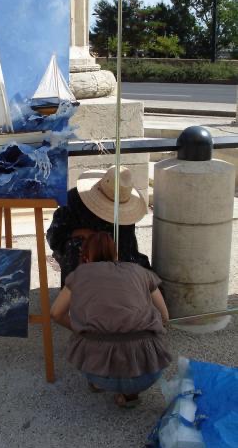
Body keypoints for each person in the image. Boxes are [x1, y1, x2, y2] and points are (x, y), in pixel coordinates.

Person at [50, 231, 171, 408]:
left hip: (100, 372)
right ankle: (131, 393)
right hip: (149, 371)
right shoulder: (139, 271)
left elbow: (55, 313)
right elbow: (165, 317)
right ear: (116, 254)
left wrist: (79, 330)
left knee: (86, 336)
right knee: (139, 338)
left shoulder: (80, 274)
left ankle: (98, 383)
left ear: (85, 257)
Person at [47, 165, 150, 285]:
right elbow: (55, 236)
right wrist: (82, 233)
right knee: (75, 248)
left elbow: (128, 248)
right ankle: (75, 296)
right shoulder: (74, 200)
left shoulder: (125, 215)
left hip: (112, 254)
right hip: (78, 251)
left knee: (138, 272)